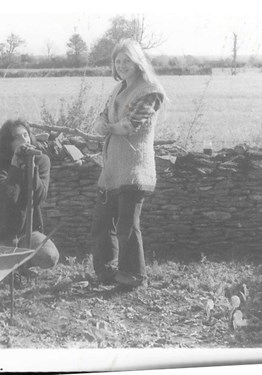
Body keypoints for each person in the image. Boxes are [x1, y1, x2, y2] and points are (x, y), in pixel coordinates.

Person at [91, 39, 167, 288]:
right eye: (118, 61)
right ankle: (107, 272)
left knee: (127, 226)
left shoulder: (150, 91)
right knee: (103, 223)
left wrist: (108, 127)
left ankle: (134, 277)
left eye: (127, 60)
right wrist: (104, 125)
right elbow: (102, 119)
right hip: (113, 169)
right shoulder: (118, 90)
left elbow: (130, 125)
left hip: (135, 169)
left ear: (138, 62)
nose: (122, 65)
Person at [0, 119, 59, 269]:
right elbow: (8, 198)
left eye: (26, 135)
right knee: (1, 269)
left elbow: (39, 196)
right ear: (8, 143)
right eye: (17, 137)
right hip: (2, 230)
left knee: (49, 257)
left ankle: (26, 263)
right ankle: (17, 265)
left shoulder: (41, 160)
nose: (24, 140)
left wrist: (32, 169)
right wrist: (15, 168)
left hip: (29, 230)